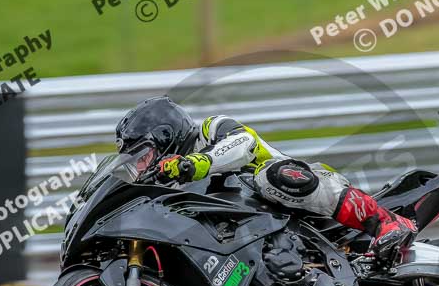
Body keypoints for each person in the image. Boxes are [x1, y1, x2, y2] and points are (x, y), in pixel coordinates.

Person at [115, 96, 418, 266]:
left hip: (302, 200)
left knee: (272, 176)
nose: (143, 166)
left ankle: (387, 223)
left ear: (166, 135)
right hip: (259, 240)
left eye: (144, 155)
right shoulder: (173, 189)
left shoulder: (211, 129)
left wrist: (194, 163)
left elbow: (243, 143)